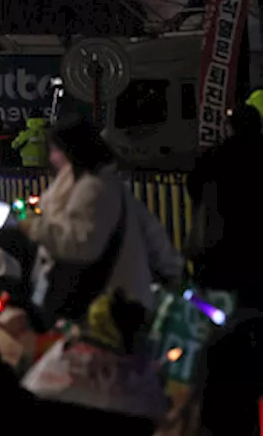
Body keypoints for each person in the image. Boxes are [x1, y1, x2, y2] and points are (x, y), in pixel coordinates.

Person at [18, 118, 181, 319]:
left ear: (71, 150)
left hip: (103, 306)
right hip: (109, 298)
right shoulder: (104, 185)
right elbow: (152, 234)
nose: (51, 157)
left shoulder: (93, 190)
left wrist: (34, 227)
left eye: (55, 150)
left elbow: (81, 244)